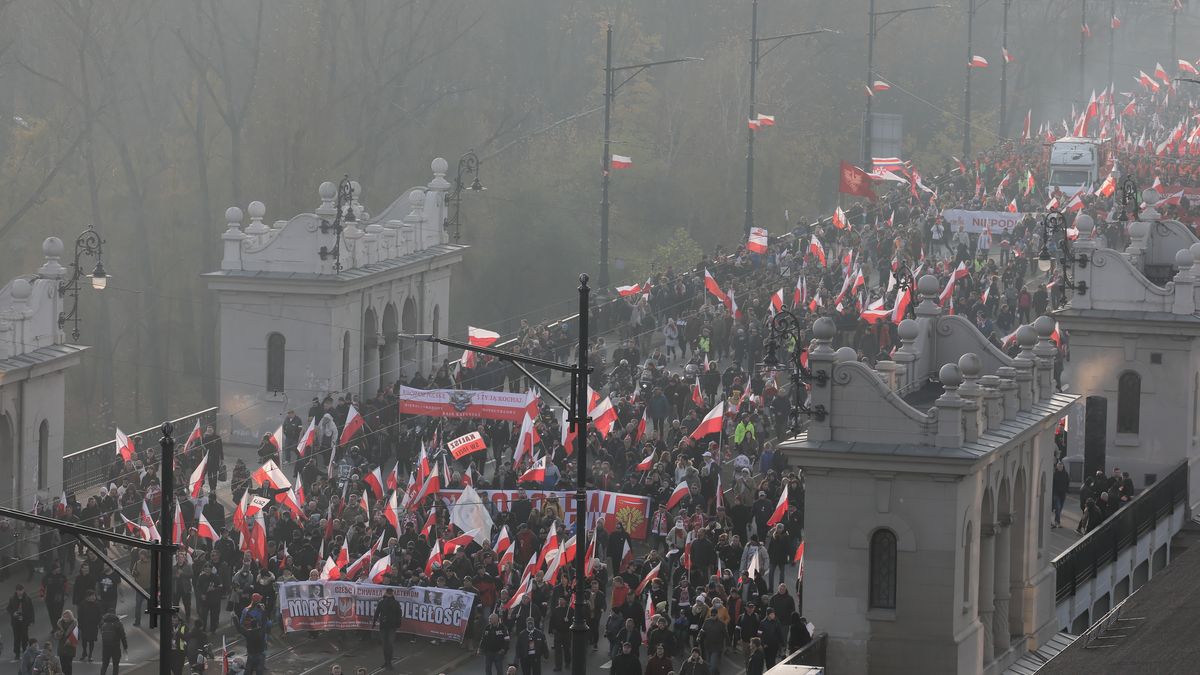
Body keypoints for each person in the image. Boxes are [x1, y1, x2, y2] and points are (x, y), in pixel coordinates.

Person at [372, 587, 402, 670]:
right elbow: (399, 614)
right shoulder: (395, 603)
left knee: (385, 645)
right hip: (391, 627)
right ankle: (388, 662)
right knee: (389, 645)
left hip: (384, 626)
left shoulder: (382, 602)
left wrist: (374, 623)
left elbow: (377, 613)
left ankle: (387, 662)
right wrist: (398, 624)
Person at [7, 584, 35, 661]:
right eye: (19, 591)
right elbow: (9, 608)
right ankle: (17, 653)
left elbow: (31, 610)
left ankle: (25, 651)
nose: (20, 592)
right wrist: (13, 613)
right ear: (16, 591)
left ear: (23, 590)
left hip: (24, 621)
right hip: (15, 622)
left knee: (25, 637)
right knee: (16, 638)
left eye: (22, 590)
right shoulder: (12, 599)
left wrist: (32, 620)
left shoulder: (27, 599)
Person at [1051, 461, 1069, 528]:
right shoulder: (1055, 474)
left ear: (1063, 467)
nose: (1060, 468)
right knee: (1058, 507)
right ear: (1057, 467)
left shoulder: (1065, 474)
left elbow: (1067, 482)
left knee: (1060, 508)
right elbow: (1052, 483)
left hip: (1063, 494)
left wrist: (1067, 490)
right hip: (1056, 493)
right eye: (1059, 467)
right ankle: (1057, 522)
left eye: (1061, 466)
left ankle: (1056, 520)